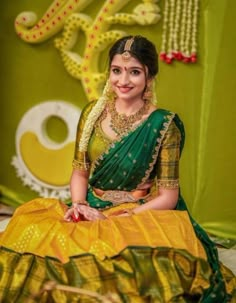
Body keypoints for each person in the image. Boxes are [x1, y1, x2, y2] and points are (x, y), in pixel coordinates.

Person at [0, 36, 235, 302]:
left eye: (134, 72)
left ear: (150, 76)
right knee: (35, 240)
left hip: (139, 212)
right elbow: (80, 172)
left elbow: (168, 197)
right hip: (90, 205)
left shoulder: (163, 124)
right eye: (116, 70)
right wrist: (79, 206)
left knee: (133, 267)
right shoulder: (93, 113)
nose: (123, 80)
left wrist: (120, 218)